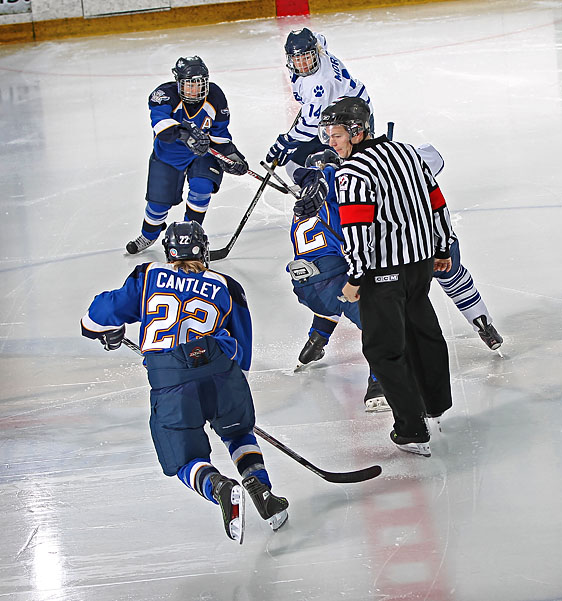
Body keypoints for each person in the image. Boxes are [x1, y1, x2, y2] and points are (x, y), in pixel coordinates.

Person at [82, 221, 288, 543]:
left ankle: (218, 487)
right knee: (238, 432)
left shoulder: (147, 276)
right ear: (204, 249)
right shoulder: (227, 285)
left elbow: (97, 316)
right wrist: (235, 386)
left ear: (168, 252)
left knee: (184, 458)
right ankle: (260, 488)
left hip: (171, 380)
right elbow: (243, 347)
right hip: (222, 371)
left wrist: (105, 329)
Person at [288, 142, 502, 374]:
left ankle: (318, 340)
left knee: (344, 291)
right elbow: (433, 159)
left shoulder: (327, 193)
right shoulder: (369, 173)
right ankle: (481, 322)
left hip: (316, 277)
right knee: (448, 279)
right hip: (424, 241)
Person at [319, 97, 453, 457]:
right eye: (328, 134)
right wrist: (442, 248)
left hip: (383, 273)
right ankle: (435, 407)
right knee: (423, 334)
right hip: (421, 264)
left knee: (383, 349)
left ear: (358, 131)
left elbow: (357, 231)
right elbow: (438, 205)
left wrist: (356, 278)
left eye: (337, 134)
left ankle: (411, 430)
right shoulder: (410, 154)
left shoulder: (353, 173)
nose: (332, 142)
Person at [284, 148, 390, 413]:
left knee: (331, 302)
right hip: (330, 279)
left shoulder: (303, 206)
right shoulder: (332, 182)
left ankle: (315, 341)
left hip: (305, 286)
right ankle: (379, 385)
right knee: (379, 324)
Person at [126, 57, 249, 255]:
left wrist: (232, 156)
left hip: (203, 154)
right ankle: (149, 235)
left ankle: (189, 234)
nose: (195, 90)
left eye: (199, 84)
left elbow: (220, 135)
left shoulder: (216, 96)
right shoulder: (164, 94)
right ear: (178, 82)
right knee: (158, 205)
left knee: (202, 188)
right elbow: (161, 126)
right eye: (189, 85)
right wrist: (186, 135)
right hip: (170, 155)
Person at [266, 28, 372, 168]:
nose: (303, 65)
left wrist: (287, 142)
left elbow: (310, 125)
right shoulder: (318, 46)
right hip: (346, 107)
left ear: (315, 53)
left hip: (354, 117)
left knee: (352, 164)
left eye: (307, 58)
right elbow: (320, 38)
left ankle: (329, 183)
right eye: (298, 59)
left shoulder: (318, 85)